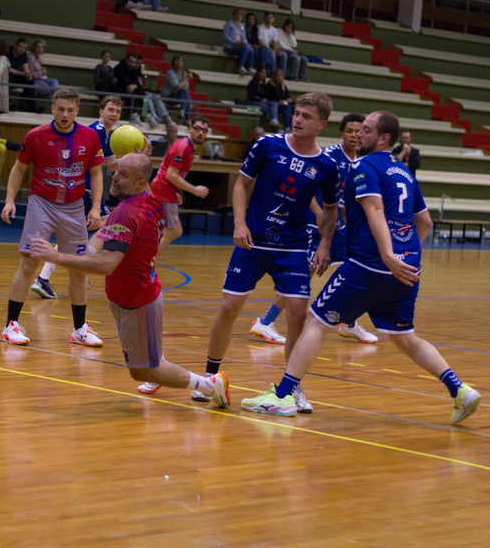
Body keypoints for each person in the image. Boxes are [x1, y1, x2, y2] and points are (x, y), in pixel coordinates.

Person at [241, 111, 482, 422]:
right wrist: (403, 256)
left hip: (370, 263)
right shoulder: (405, 172)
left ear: (384, 138)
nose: (358, 135)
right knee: (405, 337)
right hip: (407, 268)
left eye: (366, 130)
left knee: (316, 322)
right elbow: (424, 221)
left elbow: (375, 210)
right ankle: (460, 390)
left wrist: (387, 256)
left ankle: (283, 395)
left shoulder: (363, 165)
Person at [30, 153, 230, 403]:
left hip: (138, 301)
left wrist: (56, 257)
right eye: (116, 170)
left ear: (140, 183)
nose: (114, 177)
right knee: (145, 365)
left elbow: (107, 264)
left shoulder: (126, 213)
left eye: (123, 175)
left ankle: (210, 385)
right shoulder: (150, 201)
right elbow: (127, 221)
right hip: (133, 295)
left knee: (144, 371)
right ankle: (167, 368)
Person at [189, 93, 341, 415]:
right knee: (229, 308)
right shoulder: (268, 145)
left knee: (298, 314)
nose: (298, 119)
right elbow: (241, 184)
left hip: (293, 246)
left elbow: (330, 210)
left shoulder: (326, 165)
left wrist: (325, 244)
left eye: (306, 116)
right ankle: (209, 377)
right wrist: (239, 223)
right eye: (296, 113)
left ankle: (292, 387)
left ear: (321, 124)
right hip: (253, 241)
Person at [251, 113, 378, 345]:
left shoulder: (361, 161)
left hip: (341, 227)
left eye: (358, 131)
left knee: (357, 270)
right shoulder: (328, 156)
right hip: (316, 225)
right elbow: (305, 187)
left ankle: (348, 323)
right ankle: (266, 322)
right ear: (342, 133)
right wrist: (320, 215)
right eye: (349, 131)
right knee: (303, 276)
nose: (354, 135)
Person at [0, 88, 106, 347]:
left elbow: (96, 174)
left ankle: (79, 329)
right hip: (42, 204)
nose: (65, 114)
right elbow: (18, 169)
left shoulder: (90, 136)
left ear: (77, 111)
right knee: (29, 262)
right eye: (60, 109)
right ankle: (10, 326)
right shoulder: (35, 136)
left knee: (78, 268)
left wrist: (95, 207)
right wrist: (9, 200)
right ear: (52, 109)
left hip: (74, 208)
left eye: (70, 110)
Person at [32, 94, 126, 300]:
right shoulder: (97, 130)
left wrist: (135, 155)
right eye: (110, 110)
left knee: (80, 232)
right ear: (101, 111)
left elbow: (111, 165)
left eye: (118, 111)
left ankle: (47, 276)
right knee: (107, 223)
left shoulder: (106, 134)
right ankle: (75, 266)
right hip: (84, 187)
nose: (114, 114)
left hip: (84, 187)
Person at [150, 117, 210, 255]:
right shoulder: (183, 146)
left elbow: (169, 172)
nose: (200, 133)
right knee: (169, 233)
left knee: (176, 231)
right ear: (190, 129)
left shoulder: (189, 147)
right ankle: (146, 263)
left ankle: (144, 255)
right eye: (197, 129)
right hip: (162, 192)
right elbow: (171, 175)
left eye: (204, 130)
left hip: (167, 191)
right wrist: (194, 190)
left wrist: (175, 191)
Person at [114, 53, 144, 125]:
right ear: (126, 60)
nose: (132, 64)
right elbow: (123, 81)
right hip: (118, 90)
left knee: (143, 93)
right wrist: (133, 85)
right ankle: (134, 114)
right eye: (130, 61)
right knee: (130, 93)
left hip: (128, 90)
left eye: (134, 62)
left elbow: (138, 83)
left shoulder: (133, 70)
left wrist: (134, 86)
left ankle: (147, 114)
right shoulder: (119, 67)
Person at [161, 55, 193, 125]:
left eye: (180, 61)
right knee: (187, 97)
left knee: (187, 95)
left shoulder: (184, 73)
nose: (179, 63)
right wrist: (187, 79)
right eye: (177, 61)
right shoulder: (170, 72)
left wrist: (179, 88)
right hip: (168, 96)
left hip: (177, 95)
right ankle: (187, 119)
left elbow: (185, 87)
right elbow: (178, 87)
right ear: (173, 63)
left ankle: (183, 113)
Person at [223, 8, 255, 75]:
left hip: (239, 45)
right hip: (230, 46)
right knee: (245, 49)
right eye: (237, 14)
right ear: (234, 15)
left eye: (240, 14)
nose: (238, 16)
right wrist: (234, 42)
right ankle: (241, 67)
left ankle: (250, 68)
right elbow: (225, 36)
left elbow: (244, 38)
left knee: (251, 49)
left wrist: (246, 43)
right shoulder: (229, 24)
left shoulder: (242, 26)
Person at [27, 39, 59, 103]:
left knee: (54, 81)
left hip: (40, 78)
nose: (40, 49)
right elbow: (30, 74)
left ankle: (57, 98)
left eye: (41, 47)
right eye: (38, 47)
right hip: (33, 80)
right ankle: (56, 105)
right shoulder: (30, 58)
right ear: (34, 47)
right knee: (49, 89)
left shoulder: (38, 57)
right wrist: (41, 73)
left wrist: (42, 73)